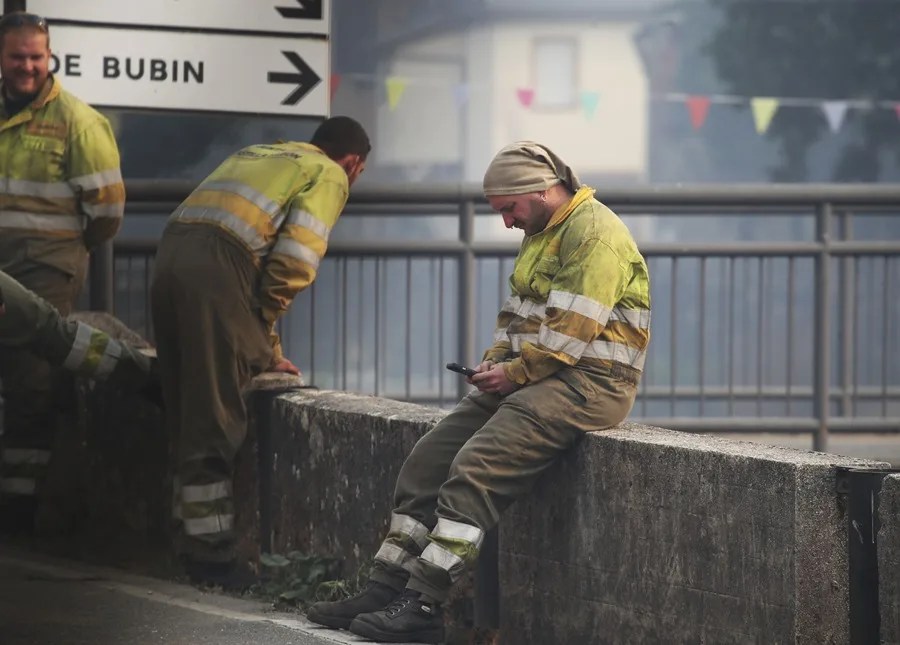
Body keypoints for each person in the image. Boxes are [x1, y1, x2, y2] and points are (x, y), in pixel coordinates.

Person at [306, 141, 652, 643]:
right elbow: (517, 316)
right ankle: (385, 587)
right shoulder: (542, 229)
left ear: (538, 190)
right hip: (539, 374)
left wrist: (514, 375)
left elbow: (570, 333)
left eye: (509, 209)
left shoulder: (594, 234)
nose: (507, 222)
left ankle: (422, 604)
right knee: (426, 464)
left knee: (476, 470)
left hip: (589, 385)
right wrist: (495, 362)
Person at [150, 116, 370, 588]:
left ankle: (181, 542)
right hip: (216, 266)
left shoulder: (262, 153)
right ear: (353, 163)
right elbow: (294, 260)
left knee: (184, 407)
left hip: (170, 255)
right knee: (215, 415)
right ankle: (210, 559)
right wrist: (262, 329)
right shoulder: (329, 174)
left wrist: (263, 345)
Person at [0, 11, 126, 529]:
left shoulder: (80, 122)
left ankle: (17, 510)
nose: (28, 66)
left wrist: (65, 256)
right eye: (17, 56)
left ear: (49, 56)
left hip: (45, 270)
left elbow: (107, 213)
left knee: (32, 385)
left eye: (36, 56)